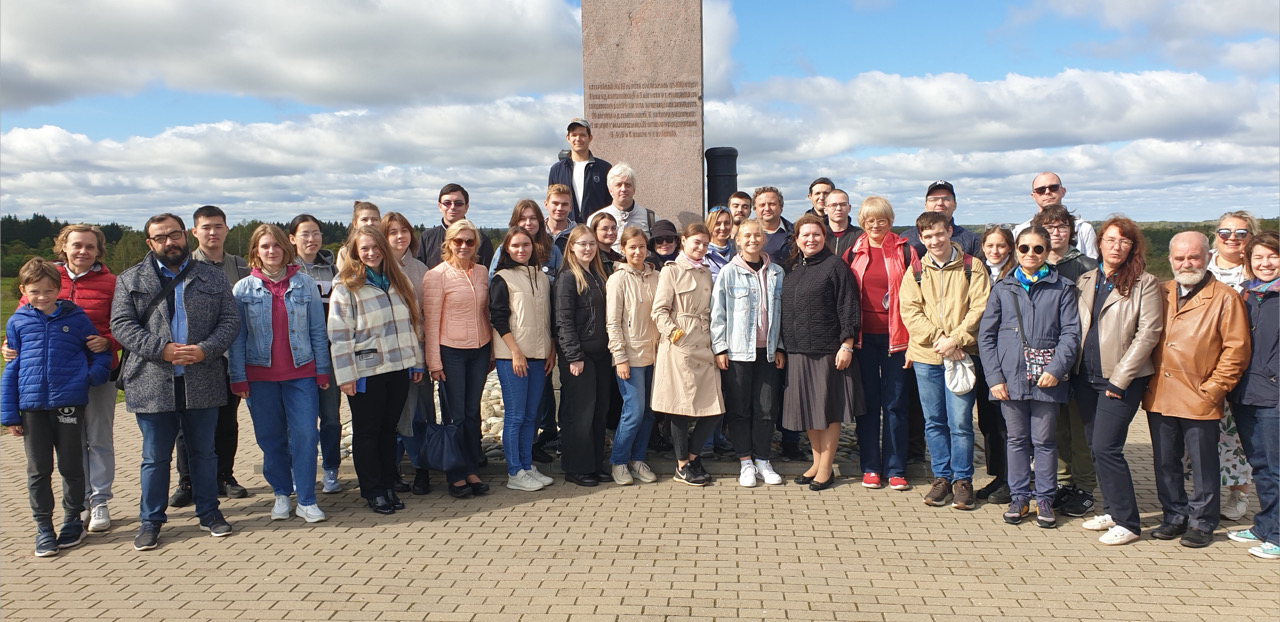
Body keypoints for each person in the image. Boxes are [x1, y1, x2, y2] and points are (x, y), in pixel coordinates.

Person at [111, 212, 241, 549]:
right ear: (150, 243)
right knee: (155, 457)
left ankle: (210, 513)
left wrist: (204, 349)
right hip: (153, 381)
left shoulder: (211, 277)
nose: (170, 242)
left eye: (175, 234)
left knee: (204, 453)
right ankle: (151, 521)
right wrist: (162, 349)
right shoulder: (130, 279)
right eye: (161, 237)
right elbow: (122, 326)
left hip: (202, 377)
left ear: (185, 235)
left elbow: (230, 320)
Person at [4, 225, 120, 532]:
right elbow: (21, 321)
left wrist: (109, 342)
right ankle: (77, 504)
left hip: (96, 373)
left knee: (98, 438)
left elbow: (123, 324)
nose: (83, 251)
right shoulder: (46, 279)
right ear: (63, 247)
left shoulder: (111, 283)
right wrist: (8, 347)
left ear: (99, 251)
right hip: (51, 381)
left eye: (90, 247)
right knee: (72, 444)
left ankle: (100, 501)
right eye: (77, 245)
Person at [1143, 231, 1250, 548]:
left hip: (1199, 394)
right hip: (1160, 393)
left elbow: (1237, 350)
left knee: (1204, 465)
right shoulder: (1160, 292)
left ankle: (1203, 523)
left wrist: (1215, 388)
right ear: (1170, 260)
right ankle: (1174, 516)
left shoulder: (1225, 297)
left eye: (1193, 257)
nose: (1187, 263)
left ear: (1207, 257)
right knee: (1165, 461)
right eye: (1180, 257)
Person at [978, 225, 1080, 530]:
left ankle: (1045, 498)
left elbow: (1071, 333)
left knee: (1045, 441)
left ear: (1047, 252)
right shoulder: (1003, 287)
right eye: (1024, 248)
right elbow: (987, 336)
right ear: (1016, 251)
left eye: (1038, 248)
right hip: (1009, 378)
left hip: (1047, 379)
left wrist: (1056, 369)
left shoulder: (1062, 288)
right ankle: (1020, 497)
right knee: (1016, 439)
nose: (1031, 254)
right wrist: (994, 377)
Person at [228, 224, 331, 524]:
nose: (271, 251)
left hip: (301, 374)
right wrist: (238, 377)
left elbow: (316, 330)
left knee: (305, 435)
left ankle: (307, 499)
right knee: (271, 438)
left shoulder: (304, 284)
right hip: (259, 378)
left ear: (286, 249)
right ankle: (281, 494)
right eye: (264, 247)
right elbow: (238, 338)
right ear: (255, 252)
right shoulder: (243, 289)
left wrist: (322, 371)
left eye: (275, 245)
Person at [1072, 216, 1163, 545]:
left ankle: (1129, 522)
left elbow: (1148, 333)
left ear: (1133, 247)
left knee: (1106, 447)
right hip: (1086, 377)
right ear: (1099, 243)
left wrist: (1120, 380)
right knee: (1096, 448)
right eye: (1110, 239)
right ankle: (1111, 509)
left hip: (1121, 380)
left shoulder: (1145, 283)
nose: (1116, 246)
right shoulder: (1086, 279)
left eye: (1124, 241)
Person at [899, 211, 991, 510]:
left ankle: (963, 480)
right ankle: (941, 478)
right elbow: (910, 312)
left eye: (939, 234)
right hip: (927, 357)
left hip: (962, 354)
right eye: (928, 236)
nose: (935, 240)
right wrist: (940, 338)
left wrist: (957, 339)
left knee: (961, 421)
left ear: (949, 231)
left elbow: (980, 307)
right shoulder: (915, 269)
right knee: (934, 421)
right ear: (921, 239)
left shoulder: (971, 267)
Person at [329, 226, 424, 514]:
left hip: (397, 367)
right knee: (367, 432)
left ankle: (386, 484)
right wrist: (345, 376)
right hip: (365, 371)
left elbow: (413, 323)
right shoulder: (346, 286)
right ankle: (372, 490)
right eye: (364, 248)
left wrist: (416, 360)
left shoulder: (399, 280)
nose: (371, 253)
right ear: (355, 251)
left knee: (387, 429)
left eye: (375, 247)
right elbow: (339, 334)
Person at [168, 205, 250, 507]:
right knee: (187, 424)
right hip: (195, 357)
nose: (212, 232)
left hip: (230, 357)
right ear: (195, 232)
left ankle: (224, 476)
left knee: (227, 422)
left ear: (226, 229)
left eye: (218, 226)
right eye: (206, 227)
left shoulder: (241, 266)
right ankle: (187, 481)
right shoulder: (184, 266)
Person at [781, 214, 863, 491]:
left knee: (827, 412)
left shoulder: (835, 266)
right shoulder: (793, 267)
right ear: (797, 239)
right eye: (805, 235)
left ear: (824, 236)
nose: (811, 239)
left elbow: (848, 307)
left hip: (828, 351)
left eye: (816, 234)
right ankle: (816, 463)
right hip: (797, 350)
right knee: (809, 411)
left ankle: (827, 468)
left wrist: (846, 344)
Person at [1033, 204, 1100, 518]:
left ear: (1071, 231)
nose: (1055, 232)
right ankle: (1063, 483)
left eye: (1061, 226)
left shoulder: (1086, 265)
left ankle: (1085, 487)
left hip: (1079, 359)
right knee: (1055, 426)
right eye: (1048, 227)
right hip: (1045, 358)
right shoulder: (1036, 265)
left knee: (1079, 427)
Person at [844, 196, 913, 491]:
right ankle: (871, 466)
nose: (876, 225)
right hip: (863, 340)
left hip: (897, 339)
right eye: (870, 220)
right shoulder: (852, 253)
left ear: (890, 220)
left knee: (896, 404)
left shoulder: (905, 251)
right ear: (862, 222)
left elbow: (916, 296)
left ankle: (896, 467)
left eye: (881, 219)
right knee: (869, 404)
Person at [711, 219, 787, 487]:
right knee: (740, 409)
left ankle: (763, 460)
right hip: (737, 352)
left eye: (757, 235)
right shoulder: (729, 273)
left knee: (766, 408)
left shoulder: (777, 272)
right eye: (747, 236)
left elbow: (783, 315)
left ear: (763, 239)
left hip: (767, 352)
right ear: (738, 240)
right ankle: (745, 462)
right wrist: (720, 348)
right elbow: (717, 314)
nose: (752, 239)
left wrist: (780, 346)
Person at [423, 220, 493, 499]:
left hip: (479, 349)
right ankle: (456, 473)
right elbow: (430, 323)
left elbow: (486, 313)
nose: (463, 246)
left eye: (469, 241)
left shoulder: (482, 272)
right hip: (450, 350)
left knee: (473, 411)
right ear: (448, 243)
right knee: (456, 414)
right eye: (458, 241)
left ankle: (471, 466)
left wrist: (490, 352)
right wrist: (434, 363)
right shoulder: (436, 275)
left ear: (476, 244)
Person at [652, 222, 725, 486]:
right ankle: (682, 465)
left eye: (705, 244)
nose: (701, 248)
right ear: (683, 241)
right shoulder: (671, 271)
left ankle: (693, 457)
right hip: (680, 346)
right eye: (696, 242)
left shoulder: (706, 271)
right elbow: (659, 310)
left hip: (704, 343)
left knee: (714, 408)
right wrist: (675, 334)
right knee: (680, 408)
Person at [489, 227, 557, 492]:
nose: (521, 250)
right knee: (516, 416)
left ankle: (527, 466)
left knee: (531, 416)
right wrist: (514, 351)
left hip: (539, 356)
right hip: (513, 357)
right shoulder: (502, 278)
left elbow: (547, 318)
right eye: (515, 245)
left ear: (533, 247)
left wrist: (550, 349)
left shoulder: (541, 278)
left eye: (526, 245)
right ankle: (514, 471)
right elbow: (498, 317)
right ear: (507, 249)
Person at [1228, 231, 1280, 559]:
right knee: (1259, 464)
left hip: (1274, 395)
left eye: (1272, 256)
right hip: (1244, 392)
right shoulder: (1245, 295)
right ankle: (1263, 525)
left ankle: (1276, 534)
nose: (1265, 263)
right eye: (1258, 257)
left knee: (1275, 467)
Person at [1208, 210, 1260, 521]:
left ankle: (1239, 493)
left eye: (1241, 233)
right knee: (1205, 434)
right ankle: (1204, 492)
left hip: (1246, 364)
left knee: (1238, 435)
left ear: (1250, 238)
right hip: (1203, 363)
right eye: (1225, 232)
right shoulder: (1204, 265)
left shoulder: (1258, 271)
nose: (1232, 238)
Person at [287, 214, 344, 494]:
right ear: (292, 239)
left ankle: (331, 470)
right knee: (300, 420)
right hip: (297, 356)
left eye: (316, 233)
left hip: (331, 353)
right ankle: (299, 471)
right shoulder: (285, 271)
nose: (312, 239)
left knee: (331, 416)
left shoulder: (334, 270)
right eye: (305, 234)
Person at [555, 225, 612, 487]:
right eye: (582, 244)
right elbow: (563, 320)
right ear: (572, 247)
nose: (588, 249)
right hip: (579, 357)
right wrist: (573, 355)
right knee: (580, 414)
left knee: (598, 412)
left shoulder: (598, 274)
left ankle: (595, 463)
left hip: (600, 354)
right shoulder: (568, 277)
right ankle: (576, 467)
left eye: (591, 244)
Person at [382, 212, 434, 496]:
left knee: (418, 413)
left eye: (404, 230)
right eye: (392, 232)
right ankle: (392, 470)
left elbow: (427, 314)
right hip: (385, 356)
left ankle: (422, 468)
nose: (399, 236)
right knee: (392, 415)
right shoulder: (376, 268)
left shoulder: (420, 269)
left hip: (416, 352)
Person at [605, 226, 661, 485]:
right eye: (632, 247)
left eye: (641, 246)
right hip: (631, 356)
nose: (638, 251)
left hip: (656, 354)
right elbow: (613, 322)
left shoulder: (656, 277)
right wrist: (620, 357)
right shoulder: (617, 279)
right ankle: (618, 461)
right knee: (634, 411)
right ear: (623, 249)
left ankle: (638, 459)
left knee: (650, 411)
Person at [974, 224, 1016, 504]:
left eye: (1000, 245)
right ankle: (998, 475)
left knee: (1008, 422)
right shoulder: (978, 272)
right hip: (980, 353)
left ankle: (1015, 480)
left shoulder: (1016, 274)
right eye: (990, 246)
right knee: (988, 421)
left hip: (1009, 357)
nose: (995, 250)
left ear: (1010, 248)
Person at [1012, 172, 1098, 260]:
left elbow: (1092, 264)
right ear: (1033, 196)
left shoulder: (1083, 229)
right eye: (1041, 190)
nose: (1047, 192)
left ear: (1063, 191)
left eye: (1053, 188)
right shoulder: (1020, 231)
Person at [548, 118, 613, 223]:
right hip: (567, 230)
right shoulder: (557, 170)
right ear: (568, 138)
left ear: (590, 138)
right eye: (574, 135)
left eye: (582, 135)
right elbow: (552, 202)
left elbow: (610, 202)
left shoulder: (604, 168)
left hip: (595, 229)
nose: (578, 139)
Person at [900, 181, 984, 261]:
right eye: (933, 199)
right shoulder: (906, 239)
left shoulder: (972, 241)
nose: (940, 203)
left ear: (955, 205)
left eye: (946, 199)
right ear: (925, 205)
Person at [417, 184, 495, 268]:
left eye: (458, 203)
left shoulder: (481, 240)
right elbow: (418, 271)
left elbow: (487, 274)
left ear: (466, 207)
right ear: (440, 206)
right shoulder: (426, 238)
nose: (453, 207)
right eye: (447, 203)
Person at [489, 199, 564, 284]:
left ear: (540, 221)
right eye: (522, 219)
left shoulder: (553, 251)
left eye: (533, 218)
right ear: (515, 223)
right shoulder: (504, 249)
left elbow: (562, 285)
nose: (528, 223)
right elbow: (493, 282)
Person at [590, 163, 655, 251]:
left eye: (628, 185)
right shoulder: (595, 219)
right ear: (610, 190)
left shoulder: (651, 218)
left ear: (634, 190)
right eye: (618, 185)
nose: (623, 189)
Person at [335, 201, 382, 271]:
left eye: (374, 219)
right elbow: (341, 278)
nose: (370, 223)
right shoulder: (346, 251)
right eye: (364, 220)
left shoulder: (387, 248)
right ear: (355, 224)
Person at [754, 186, 794, 267]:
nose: (767, 208)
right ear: (755, 209)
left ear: (781, 207)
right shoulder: (744, 236)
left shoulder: (796, 233)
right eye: (762, 205)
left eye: (772, 204)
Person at [824, 189, 863, 260]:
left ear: (849, 208)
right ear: (825, 209)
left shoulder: (861, 236)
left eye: (843, 204)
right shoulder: (818, 235)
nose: (838, 208)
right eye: (833, 205)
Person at [704, 206, 736, 280]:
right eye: (717, 223)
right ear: (709, 225)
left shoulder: (737, 251)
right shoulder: (702, 253)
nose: (723, 228)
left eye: (726, 223)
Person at [544, 184, 576, 254]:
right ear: (546, 204)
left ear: (570, 207)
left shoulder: (578, 235)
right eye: (555, 203)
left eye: (564, 204)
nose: (560, 208)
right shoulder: (537, 233)